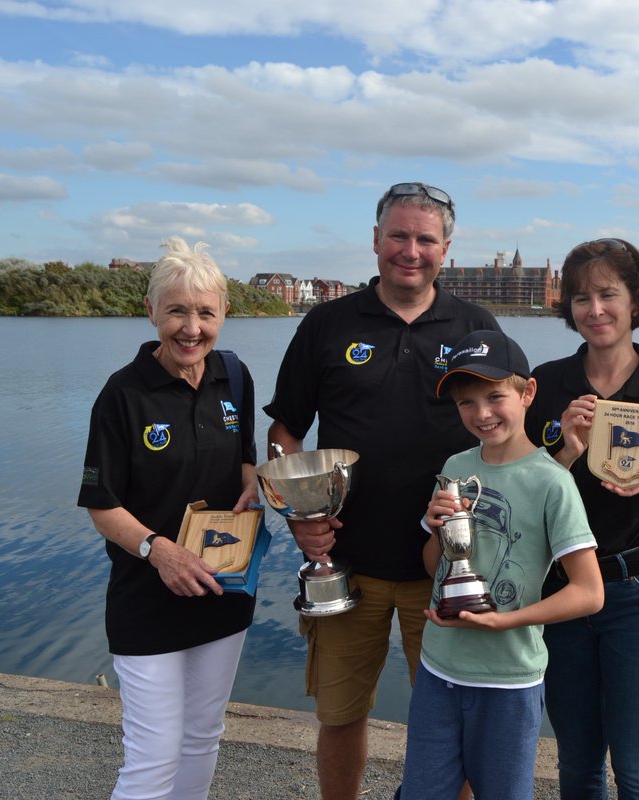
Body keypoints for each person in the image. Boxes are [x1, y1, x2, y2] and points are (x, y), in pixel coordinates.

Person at [263, 182, 500, 800]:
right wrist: (295, 515)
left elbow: (516, 425)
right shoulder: (327, 324)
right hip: (348, 566)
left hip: (449, 566)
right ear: (375, 241)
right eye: (399, 235)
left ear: (446, 249)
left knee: (456, 725)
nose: (410, 250)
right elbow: (285, 431)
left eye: (426, 239)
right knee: (341, 718)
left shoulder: (477, 328)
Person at [524, 238, 639, 799]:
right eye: (581, 298)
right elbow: (522, 495)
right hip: (560, 590)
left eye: (609, 294)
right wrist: (563, 450)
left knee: (637, 767)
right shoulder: (545, 384)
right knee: (576, 765)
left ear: (636, 302)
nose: (595, 310)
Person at [78, 236, 259, 800]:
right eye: (177, 310)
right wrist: (161, 551)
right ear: (152, 310)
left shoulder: (235, 376)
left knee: (204, 737)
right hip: (146, 598)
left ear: (224, 314)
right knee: (153, 755)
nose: (191, 328)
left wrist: (252, 477)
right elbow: (103, 506)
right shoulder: (122, 394)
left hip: (222, 591)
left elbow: (244, 454)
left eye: (206, 312)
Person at [397, 329, 605, 800]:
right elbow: (436, 569)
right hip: (439, 668)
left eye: (495, 396)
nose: (482, 413)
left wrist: (507, 621)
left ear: (528, 393)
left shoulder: (553, 483)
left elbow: (590, 592)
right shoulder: (454, 464)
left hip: (508, 679)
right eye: (466, 403)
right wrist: (434, 531)